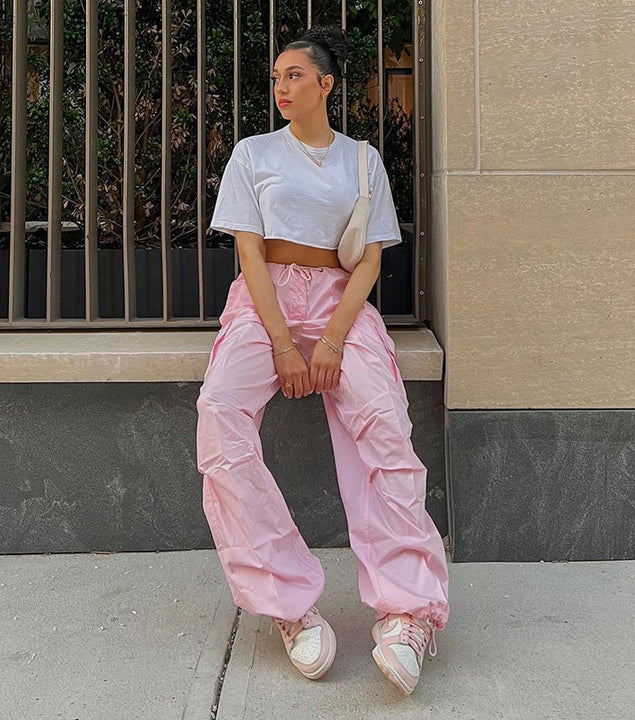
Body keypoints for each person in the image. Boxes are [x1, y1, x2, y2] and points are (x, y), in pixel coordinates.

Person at [196, 25, 449, 695]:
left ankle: (408, 613)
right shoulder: (253, 154)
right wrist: (283, 342)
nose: (281, 87)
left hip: (340, 302)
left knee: (386, 430)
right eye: (276, 77)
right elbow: (250, 252)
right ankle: (288, 604)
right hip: (265, 300)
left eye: (294, 76)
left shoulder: (362, 161)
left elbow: (369, 258)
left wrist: (333, 338)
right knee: (219, 414)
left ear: (326, 85)